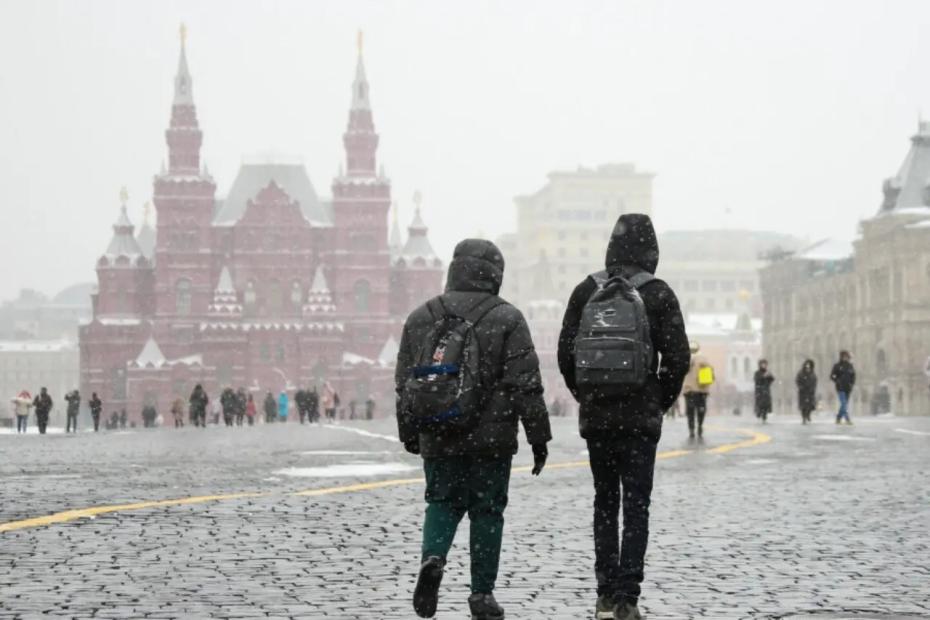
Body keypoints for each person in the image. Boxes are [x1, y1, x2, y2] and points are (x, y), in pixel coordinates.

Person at [396, 238, 552, 620]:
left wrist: (410, 432)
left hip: (438, 430)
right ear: (496, 275)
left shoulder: (421, 316)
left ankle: (433, 557)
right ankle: (481, 595)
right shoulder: (507, 318)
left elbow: (404, 382)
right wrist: (538, 436)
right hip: (491, 439)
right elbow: (525, 384)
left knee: (441, 502)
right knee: (487, 510)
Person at [558, 213, 690, 620]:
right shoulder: (658, 292)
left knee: (604, 502)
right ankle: (628, 598)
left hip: (598, 418)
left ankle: (603, 594)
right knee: (636, 506)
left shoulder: (587, 289)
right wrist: (656, 400)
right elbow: (679, 358)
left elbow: (566, 356)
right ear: (651, 250)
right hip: (639, 419)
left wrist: (589, 395)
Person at [681, 341, 714, 440]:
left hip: (690, 390)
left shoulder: (687, 358)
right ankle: (700, 425)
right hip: (702, 389)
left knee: (690, 411)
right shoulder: (704, 359)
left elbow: (682, 370)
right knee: (701, 409)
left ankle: (691, 429)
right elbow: (711, 373)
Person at [830, 350, 856, 425]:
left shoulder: (850, 366)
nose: (845, 358)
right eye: (844, 356)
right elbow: (832, 376)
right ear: (841, 357)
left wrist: (852, 383)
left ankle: (838, 418)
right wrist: (837, 381)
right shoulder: (837, 366)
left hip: (848, 388)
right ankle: (847, 419)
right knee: (844, 404)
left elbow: (853, 376)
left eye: (846, 357)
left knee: (844, 405)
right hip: (840, 388)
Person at [796, 359, 817, 424]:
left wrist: (813, 388)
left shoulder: (813, 374)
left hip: (810, 392)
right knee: (803, 406)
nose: (808, 368)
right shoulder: (801, 373)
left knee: (810, 405)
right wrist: (800, 387)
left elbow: (815, 381)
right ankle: (804, 418)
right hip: (803, 392)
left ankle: (808, 415)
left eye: (809, 366)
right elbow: (797, 380)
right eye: (807, 366)